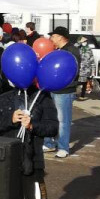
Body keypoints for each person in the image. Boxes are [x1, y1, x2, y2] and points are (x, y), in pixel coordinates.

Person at [42, 26, 80, 159]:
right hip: (53, 88)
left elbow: (71, 71)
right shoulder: (58, 50)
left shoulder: (71, 51)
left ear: (60, 37)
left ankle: (63, 147)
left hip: (65, 90)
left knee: (63, 120)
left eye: (53, 36)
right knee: (50, 117)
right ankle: (49, 142)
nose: (51, 39)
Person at [74, 36, 96, 100]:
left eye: (86, 41)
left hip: (87, 69)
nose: (85, 42)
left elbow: (92, 60)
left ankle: (82, 95)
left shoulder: (89, 49)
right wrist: (80, 42)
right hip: (79, 68)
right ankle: (74, 94)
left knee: (84, 83)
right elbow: (75, 46)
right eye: (84, 41)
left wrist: (93, 71)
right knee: (77, 82)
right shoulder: (78, 48)